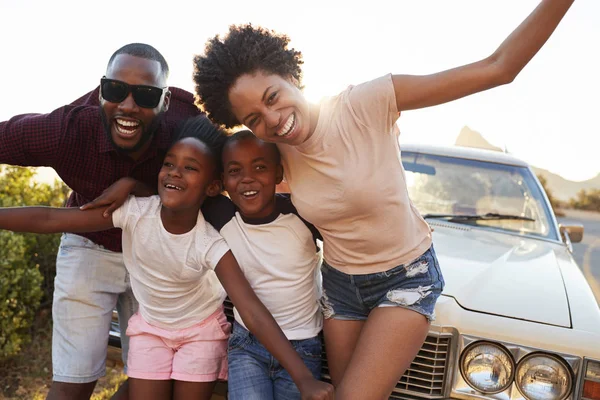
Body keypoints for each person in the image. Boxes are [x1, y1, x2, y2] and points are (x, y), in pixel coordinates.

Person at [191, 1, 575, 398]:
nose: (270, 119)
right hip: (340, 286)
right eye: (253, 118)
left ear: (291, 74)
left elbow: (499, 67)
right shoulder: (277, 153)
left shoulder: (366, 103)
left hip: (405, 278)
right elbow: (206, 166)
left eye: (272, 97)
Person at [0, 117, 334, 400]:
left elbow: (250, 308)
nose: (175, 173)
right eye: (169, 164)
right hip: (154, 329)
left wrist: (304, 378)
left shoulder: (213, 239)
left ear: (212, 187)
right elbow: (51, 219)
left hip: (206, 332)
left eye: (190, 168)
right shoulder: (137, 212)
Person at [0, 43, 201, 399]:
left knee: (153, 384)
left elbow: (224, 183)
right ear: (100, 91)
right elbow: (45, 213)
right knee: (72, 384)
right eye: (114, 90)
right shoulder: (68, 130)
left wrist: (136, 185)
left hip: (158, 254)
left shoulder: (189, 130)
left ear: (165, 101)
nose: (127, 105)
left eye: (145, 94)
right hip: (89, 244)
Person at [203, 130, 323, 400]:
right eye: (235, 170)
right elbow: (175, 190)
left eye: (260, 167)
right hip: (247, 345)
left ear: (279, 174)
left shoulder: (302, 214)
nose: (247, 178)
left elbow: (350, 234)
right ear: (222, 181)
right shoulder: (221, 213)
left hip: (303, 345)